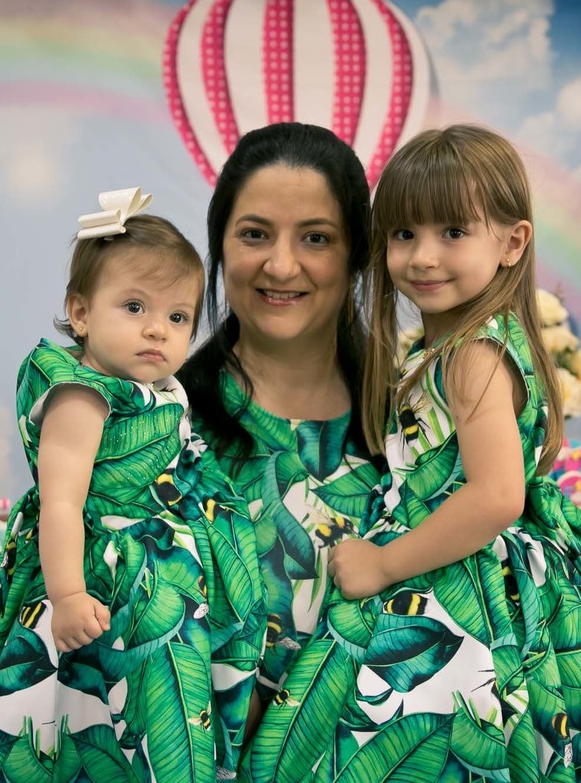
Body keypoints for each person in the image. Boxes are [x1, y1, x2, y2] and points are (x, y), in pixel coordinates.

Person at [248, 125, 581, 782]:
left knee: (415, 735)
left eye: (453, 232)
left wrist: (383, 564)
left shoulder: (473, 355)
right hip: (468, 557)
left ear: (512, 243)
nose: (424, 256)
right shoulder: (458, 343)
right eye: (404, 234)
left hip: (465, 578)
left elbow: (496, 496)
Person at [0, 205, 264, 782]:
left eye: (179, 316)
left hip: (160, 574)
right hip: (96, 574)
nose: (157, 329)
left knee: (153, 698)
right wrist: (66, 595)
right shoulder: (82, 397)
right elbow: (61, 503)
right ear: (81, 313)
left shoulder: (154, 386)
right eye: (135, 307)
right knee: (78, 698)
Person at [178, 123, 383, 744]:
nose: (281, 264)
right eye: (254, 234)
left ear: (357, 254)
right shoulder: (158, 426)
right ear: (219, 245)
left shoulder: (415, 433)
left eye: (316, 238)